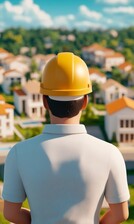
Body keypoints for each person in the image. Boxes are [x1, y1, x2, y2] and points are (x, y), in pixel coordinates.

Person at [2, 52, 130, 224]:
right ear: (85, 101)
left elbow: (10, 213)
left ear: (44, 102)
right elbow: (121, 214)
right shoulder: (110, 153)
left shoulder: (18, 153)